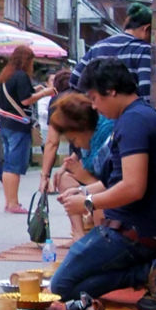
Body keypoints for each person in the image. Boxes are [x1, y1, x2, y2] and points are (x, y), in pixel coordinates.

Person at [52, 58, 156, 310]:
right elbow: (118, 181)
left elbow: (134, 187)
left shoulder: (133, 122)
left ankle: (150, 272)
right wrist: (83, 191)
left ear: (111, 89)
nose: (93, 106)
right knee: (71, 283)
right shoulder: (140, 115)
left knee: (61, 288)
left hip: (130, 233)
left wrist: (88, 202)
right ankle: (150, 270)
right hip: (138, 228)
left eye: (94, 98)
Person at [43, 92, 113, 239]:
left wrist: (85, 183)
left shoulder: (107, 133)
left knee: (100, 202)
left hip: (113, 192)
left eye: (73, 139)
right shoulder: (90, 138)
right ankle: (78, 235)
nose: (75, 144)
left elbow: (112, 184)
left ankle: (101, 239)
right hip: (98, 182)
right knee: (65, 180)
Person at [0, 45, 55, 213]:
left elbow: (17, 96)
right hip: (18, 125)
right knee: (15, 165)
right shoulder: (21, 76)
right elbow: (26, 100)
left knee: (8, 164)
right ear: (27, 60)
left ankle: (9, 202)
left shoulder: (5, 76)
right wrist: (45, 93)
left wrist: (35, 90)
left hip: (6, 124)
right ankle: (14, 203)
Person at [69, 2, 152, 99]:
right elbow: (146, 92)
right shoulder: (144, 50)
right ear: (147, 29)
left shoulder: (97, 46)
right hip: (131, 113)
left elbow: (74, 80)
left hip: (98, 111)